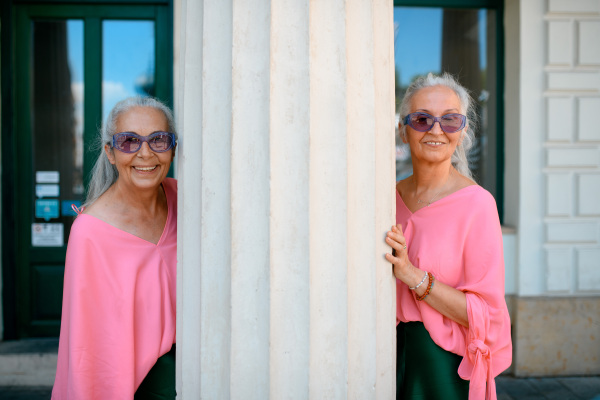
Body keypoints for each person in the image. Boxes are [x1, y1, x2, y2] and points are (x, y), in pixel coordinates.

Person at [385, 73, 512, 400]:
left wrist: (412, 276)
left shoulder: (478, 205)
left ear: (462, 131)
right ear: (403, 129)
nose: (436, 129)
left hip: (442, 366)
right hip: (385, 357)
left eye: (450, 120)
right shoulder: (386, 198)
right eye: (422, 119)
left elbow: (486, 314)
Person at [52, 97, 178, 400]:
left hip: (195, 372)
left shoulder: (180, 198)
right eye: (129, 141)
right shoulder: (90, 233)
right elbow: (87, 347)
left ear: (173, 147)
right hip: (138, 387)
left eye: (159, 140)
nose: (145, 153)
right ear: (110, 152)